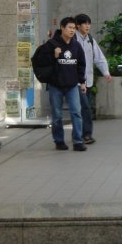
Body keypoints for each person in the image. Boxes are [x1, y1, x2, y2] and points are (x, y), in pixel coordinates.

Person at [46, 17, 88, 151]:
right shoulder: (52, 44)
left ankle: (77, 141)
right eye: (69, 27)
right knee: (57, 115)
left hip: (72, 85)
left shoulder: (76, 46)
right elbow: (44, 63)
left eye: (74, 28)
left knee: (76, 112)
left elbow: (81, 65)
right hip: (55, 85)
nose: (72, 30)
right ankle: (59, 141)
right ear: (62, 28)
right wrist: (55, 56)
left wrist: (82, 82)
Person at [74, 14, 112, 144]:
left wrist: (105, 72)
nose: (87, 26)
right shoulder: (73, 39)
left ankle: (78, 134)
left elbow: (99, 58)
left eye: (88, 23)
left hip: (88, 80)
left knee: (83, 108)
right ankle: (86, 135)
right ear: (77, 25)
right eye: (84, 23)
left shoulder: (90, 39)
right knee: (85, 108)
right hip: (76, 81)